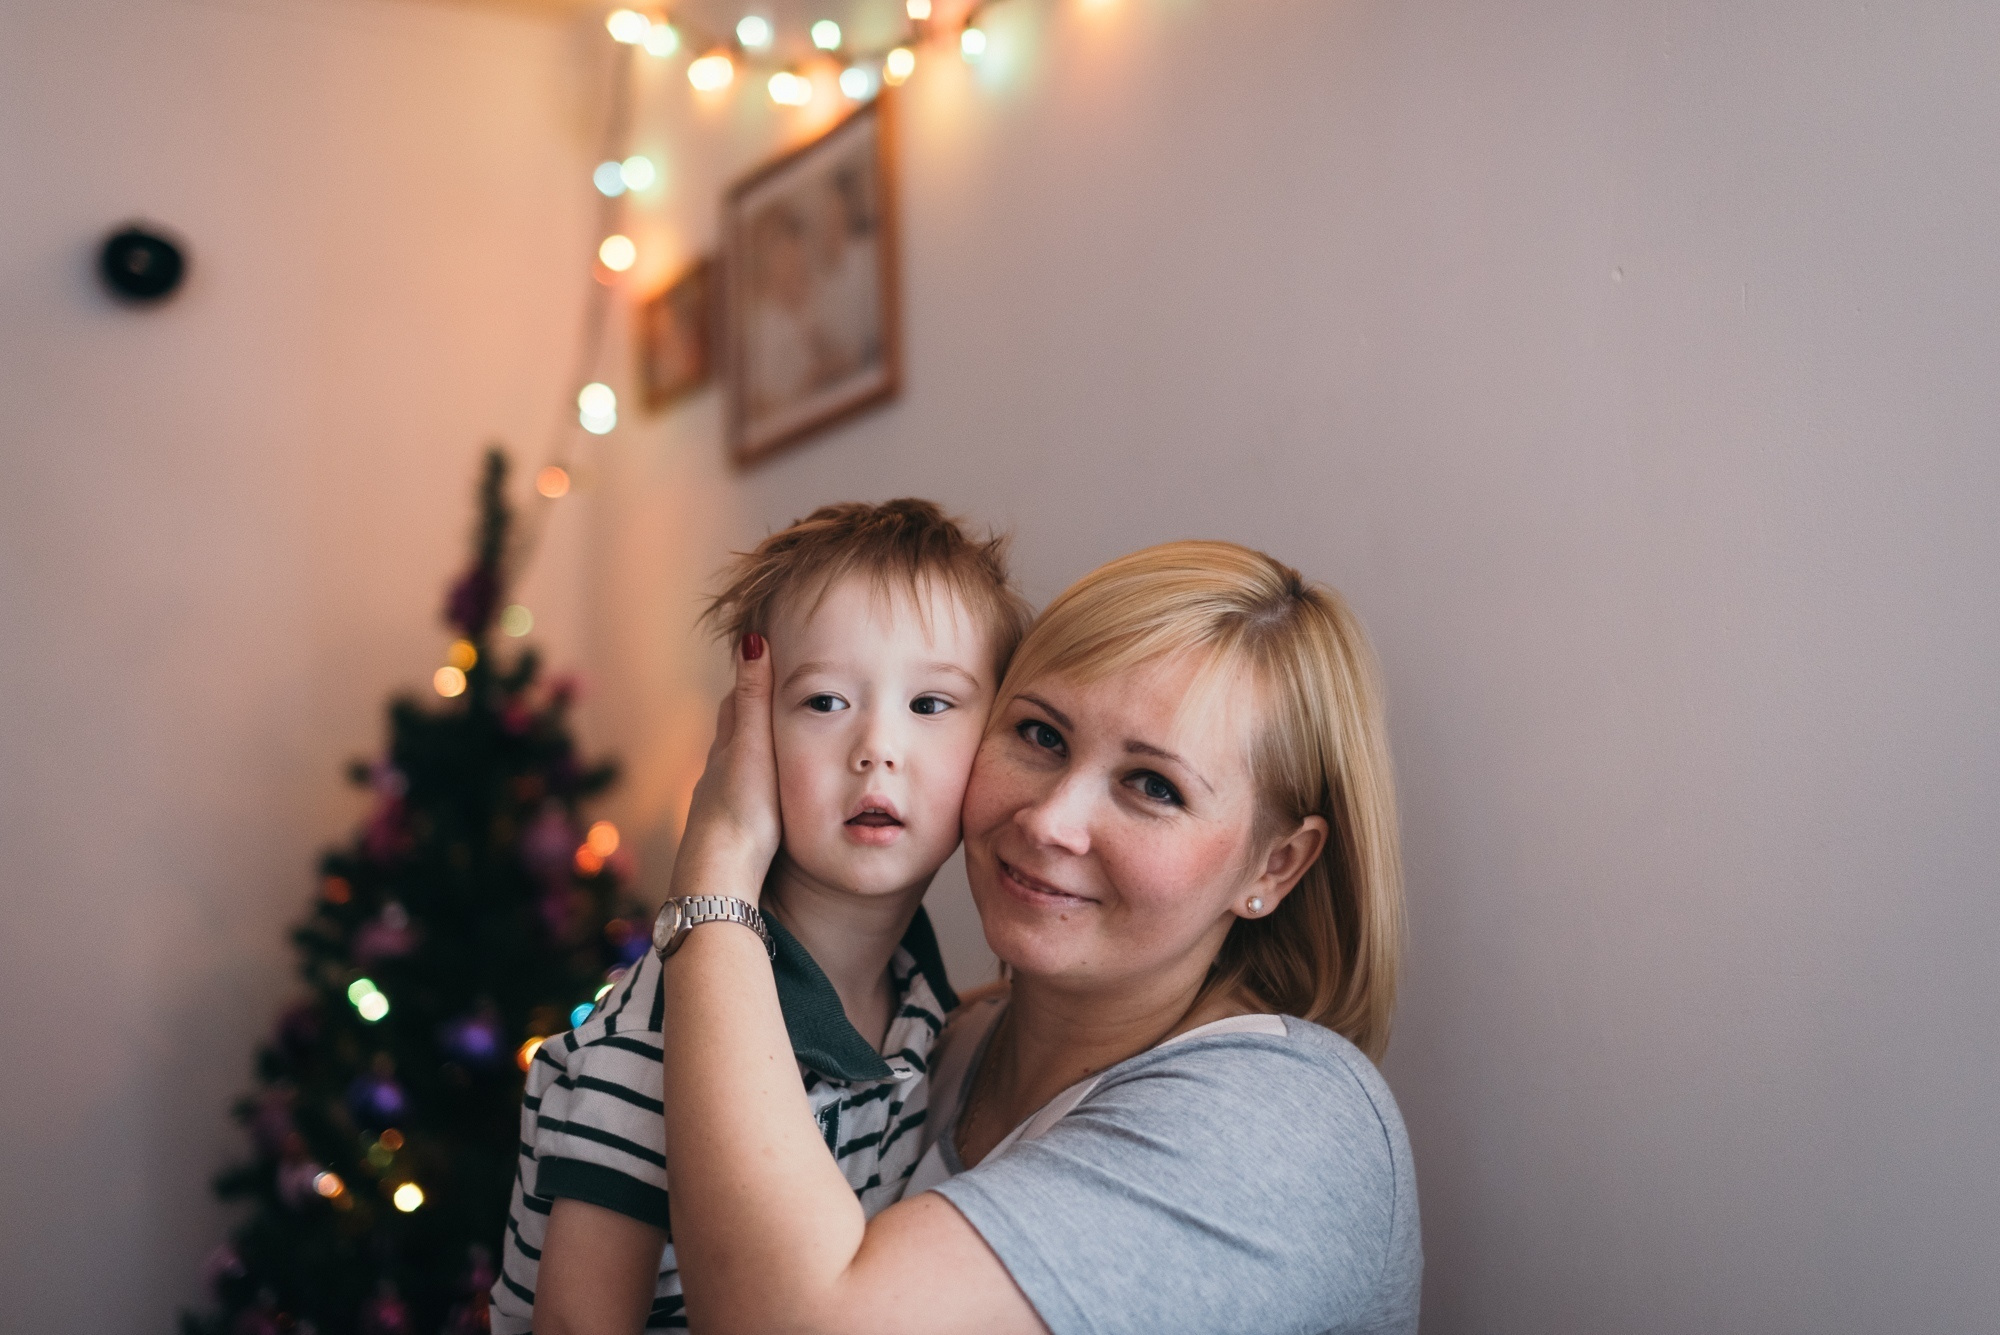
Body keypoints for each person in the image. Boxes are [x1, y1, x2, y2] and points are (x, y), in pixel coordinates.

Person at [653, 540, 1422, 1335]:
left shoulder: (1288, 1122)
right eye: (1040, 735)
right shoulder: (933, 1049)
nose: (1050, 820)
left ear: (1277, 864)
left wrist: (715, 865)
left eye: (1153, 786)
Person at [489, 499, 1033, 1335]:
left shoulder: (924, 999)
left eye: (931, 705)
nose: (876, 746)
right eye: (823, 702)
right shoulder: (674, 1017)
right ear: (750, 732)